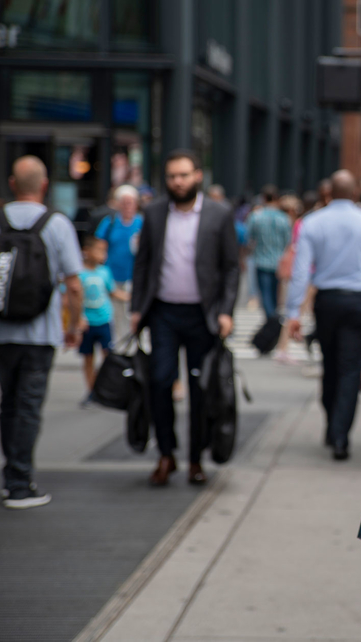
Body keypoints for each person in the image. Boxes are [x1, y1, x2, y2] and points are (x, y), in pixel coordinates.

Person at [0, 156, 84, 508]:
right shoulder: (56, 224)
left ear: (12, 184)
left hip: (0, 331)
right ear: (44, 185)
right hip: (40, 333)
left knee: (7, 404)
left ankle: (10, 475)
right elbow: (73, 285)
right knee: (28, 406)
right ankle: (19, 482)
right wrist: (74, 326)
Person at [131, 149, 239, 487]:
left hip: (202, 316)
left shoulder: (219, 215)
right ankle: (166, 454)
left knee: (200, 389)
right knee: (160, 382)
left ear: (197, 176)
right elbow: (143, 263)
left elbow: (231, 268)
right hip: (162, 312)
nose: (177, 182)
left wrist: (225, 311)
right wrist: (136, 308)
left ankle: (195, 459)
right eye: (172, 176)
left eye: (183, 175)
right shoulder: (154, 213)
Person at [285, 170, 361, 460]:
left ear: (328, 193)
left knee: (330, 365)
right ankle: (340, 435)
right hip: (358, 302)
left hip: (327, 302)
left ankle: (332, 423)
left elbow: (300, 272)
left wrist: (293, 312)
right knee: (349, 369)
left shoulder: (312, 223)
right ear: (356, 192)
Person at [78, 237, 129, 407]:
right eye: (99, 250)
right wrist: (76, 319)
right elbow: (69, 298)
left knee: (109, 356)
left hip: (104, 320)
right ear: (87, 251)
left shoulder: (104, 272)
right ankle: (92, 391)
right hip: (86, 323)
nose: (103, 255)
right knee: (88, 358)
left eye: (104, 251)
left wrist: (133, 299)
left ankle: (106, 388)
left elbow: (113, 291)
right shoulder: (78, 273)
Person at [95, 184, 143, 341]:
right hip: (113, 275)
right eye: (124, 202)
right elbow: (99, 245)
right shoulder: (110, 222)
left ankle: (135, 349)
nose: (128, 206)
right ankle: (119, 350)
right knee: (115, 317)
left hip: (134, 276)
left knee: (132, 314)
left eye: (131, 202)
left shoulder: (141, 223)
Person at [246, 185, 291, 320]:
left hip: (261, 261)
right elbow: (288, 241)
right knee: (276, 296)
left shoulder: (255, 217)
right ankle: (273, 321)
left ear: (264, 198)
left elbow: (249, 238)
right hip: (278, 261)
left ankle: (271, 322)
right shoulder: (284, 218)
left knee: (265, 296)